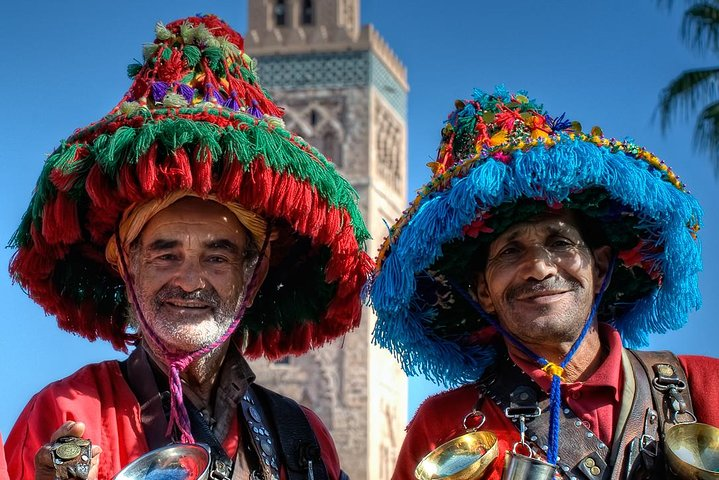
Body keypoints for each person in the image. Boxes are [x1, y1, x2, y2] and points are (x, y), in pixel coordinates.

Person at [6, 14, 371, 480]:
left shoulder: (301, 439)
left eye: (217, 257)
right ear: (127, 264)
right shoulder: (66, 418)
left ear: (253, 274)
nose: (190, 280)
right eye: (165, 254)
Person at [370, 87, 719, 479]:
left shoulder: (705, 387)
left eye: (560, 242)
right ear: (483, 291)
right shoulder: (443, 427)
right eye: (510, 252)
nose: (538, 267)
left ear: (600, 267)